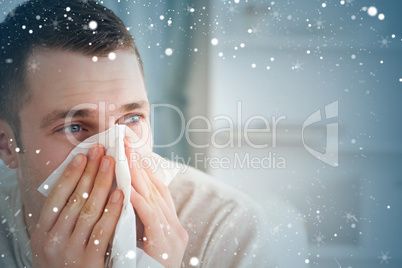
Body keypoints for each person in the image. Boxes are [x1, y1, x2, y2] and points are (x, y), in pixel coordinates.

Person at [0, 0, 275, 267]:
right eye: (74, 127)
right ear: (6, 146)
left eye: (131, 118)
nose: (115, 153)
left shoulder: (228, 230)